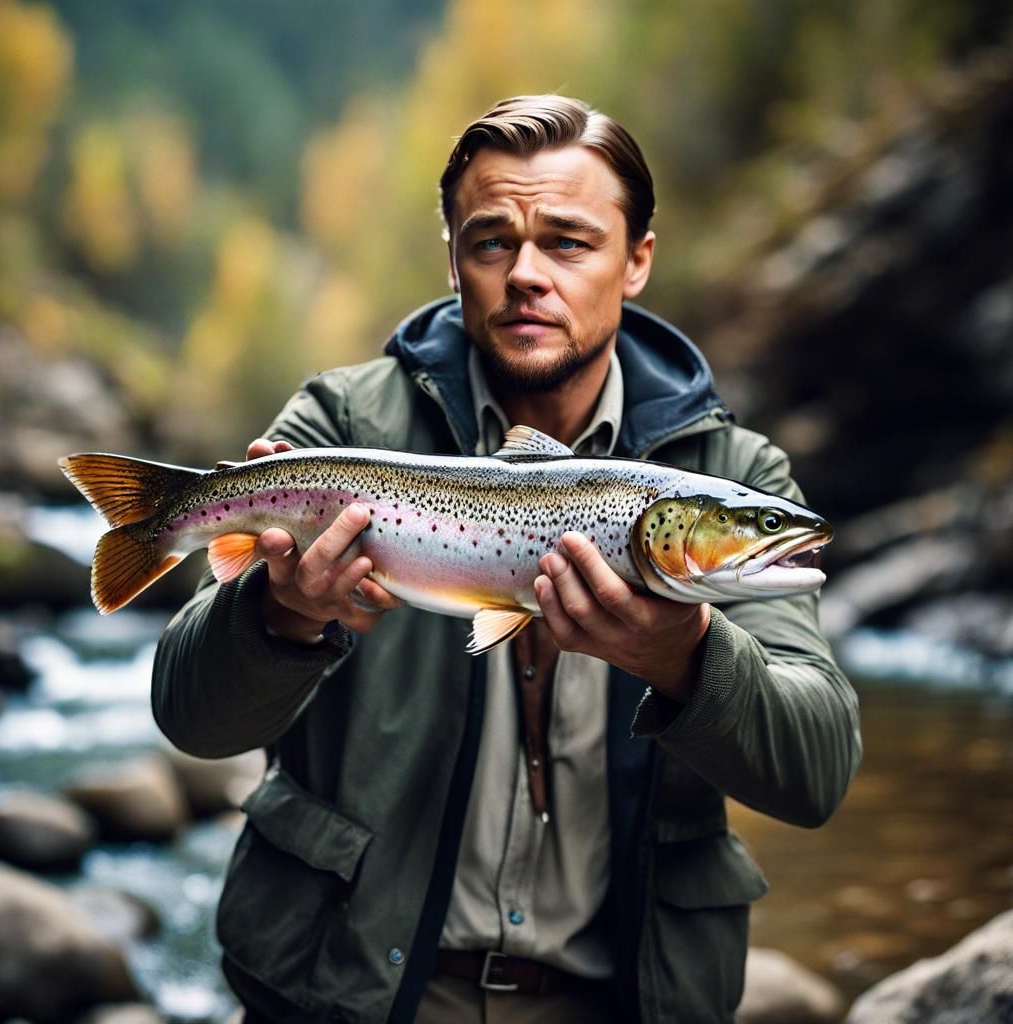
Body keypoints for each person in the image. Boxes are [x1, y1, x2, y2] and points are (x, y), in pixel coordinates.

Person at [153, 95, 861, 1024]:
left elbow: (816, 776)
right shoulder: (341, 431)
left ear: (637, 259)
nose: (526, 273)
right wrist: (282, 616)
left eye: (568, 242)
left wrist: (682, 660)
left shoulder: (730, 472)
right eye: (491, 243)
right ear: (453, 258)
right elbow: (192, 718)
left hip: (619, 1004)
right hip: (354, 995)